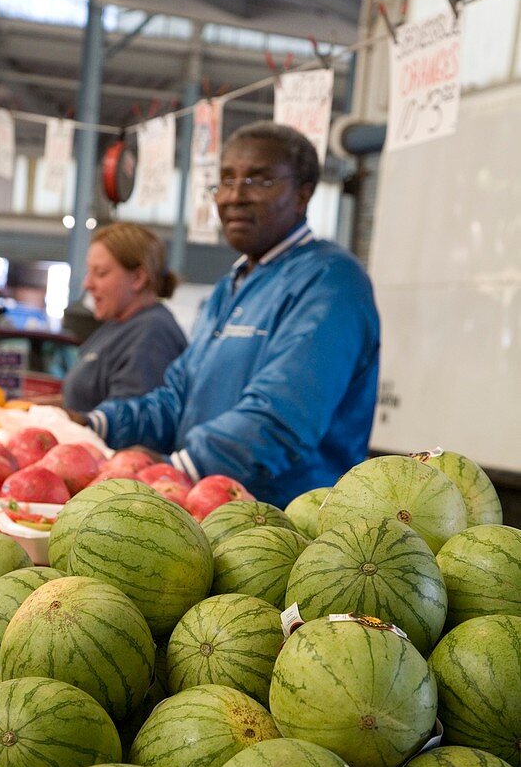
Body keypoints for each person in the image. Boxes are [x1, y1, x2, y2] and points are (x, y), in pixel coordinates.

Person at [76, 122, 380, 507]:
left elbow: (280, 418)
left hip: (287, 528)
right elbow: (176, 399)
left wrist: (180, 466)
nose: (235, 196)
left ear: (303, 193)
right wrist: (96, 423)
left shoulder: (331, 282)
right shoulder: (230, 286)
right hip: (211, 512)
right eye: (226, 180)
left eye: (259, 180)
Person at [41, 222, 186, 412]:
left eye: (100, 273)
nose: (87, 284)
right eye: (88, 271)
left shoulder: (151, 336)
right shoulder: (119, 325)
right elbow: (84, 404)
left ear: (138, 279)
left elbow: (129, 425)